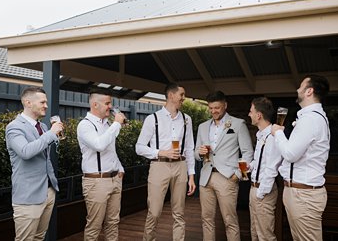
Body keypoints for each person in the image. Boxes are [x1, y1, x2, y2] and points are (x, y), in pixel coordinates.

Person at [270, 74, 330, 241]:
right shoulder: (311, 117)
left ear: (309, 91)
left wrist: (278, 133)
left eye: (301, 86)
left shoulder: (310, 119)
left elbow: (290, 153)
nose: (297, 89)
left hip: (304, 195)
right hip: (299, 192)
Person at [135, 83, 196, 241]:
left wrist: (191, 175)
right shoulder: (152, 119)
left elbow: (189, 148)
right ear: (171, 96)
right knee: (154, 212)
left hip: (181, 166)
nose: (184, 98)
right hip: (159, 166)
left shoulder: (186, 119)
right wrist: (161, 152)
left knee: (179, 212)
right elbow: (139, 147)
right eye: (181, 95)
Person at [5, 86, 63, 241]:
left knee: (39, 237)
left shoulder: (43, 126)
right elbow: (25, 152)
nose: (46, 105)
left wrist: (54, 135)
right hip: (28, 195)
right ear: (28, 103)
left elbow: (44, 157)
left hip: (48, 191)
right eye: (43, 102)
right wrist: (51, 134)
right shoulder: (14, 127)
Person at [194, 91, 252, 241]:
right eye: (211, 108)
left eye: (217, 108)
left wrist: (238, 175)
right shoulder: (202, 127)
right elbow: (195, 153)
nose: (213, 111)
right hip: (206, 177)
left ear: (225, 105)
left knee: (230, 221)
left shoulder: (238, 124)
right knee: (206, 220)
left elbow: (248, 153)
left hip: (227, 178)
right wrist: (199, 153)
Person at [76, 89, 127, 241]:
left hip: (114, 179)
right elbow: (99, 145)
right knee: (94, 226)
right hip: (96, 182)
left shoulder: (107, 124)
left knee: (113, 223)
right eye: (107, 103)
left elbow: (110, 150)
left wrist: (120, 168)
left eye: (110, 103)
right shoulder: (85, 125)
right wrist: (117, 124)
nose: (110, 107)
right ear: (95, 105)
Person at [247, 96, 283, 241]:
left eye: (251, 111)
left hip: (263, 191)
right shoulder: (261, 134)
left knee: (266, 236)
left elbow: (272, 168)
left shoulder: (273, 136)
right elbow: (260, 161)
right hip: (254, 189)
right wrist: (250, 166)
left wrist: (260, 193)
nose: (249, 114)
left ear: (259, 115)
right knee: (255, 232)